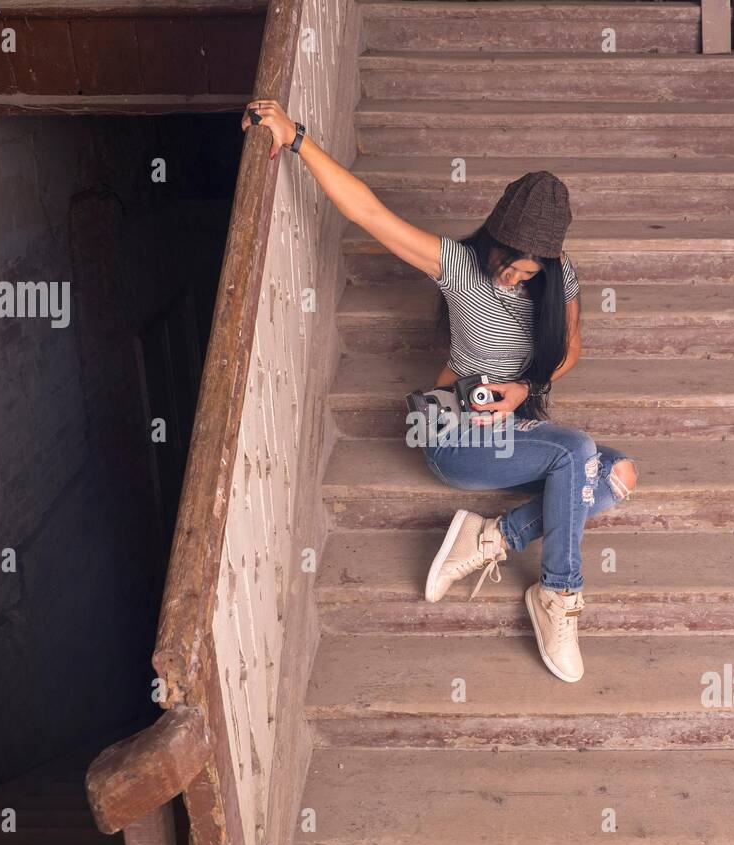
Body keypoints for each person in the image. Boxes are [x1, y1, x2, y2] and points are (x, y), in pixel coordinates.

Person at [245, 99, 638, 682]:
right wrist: (296, 137)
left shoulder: (562, 279)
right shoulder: (456, 263)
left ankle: (489, 537)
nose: (512, 277)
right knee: (577, 453)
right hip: (450, 430)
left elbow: (571, 349)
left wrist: (523, 387)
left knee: (617, 475)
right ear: (493, 239)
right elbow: (370, 212)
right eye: (507, 262)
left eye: (529, 273)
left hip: (511, 426)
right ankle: (559, 596)